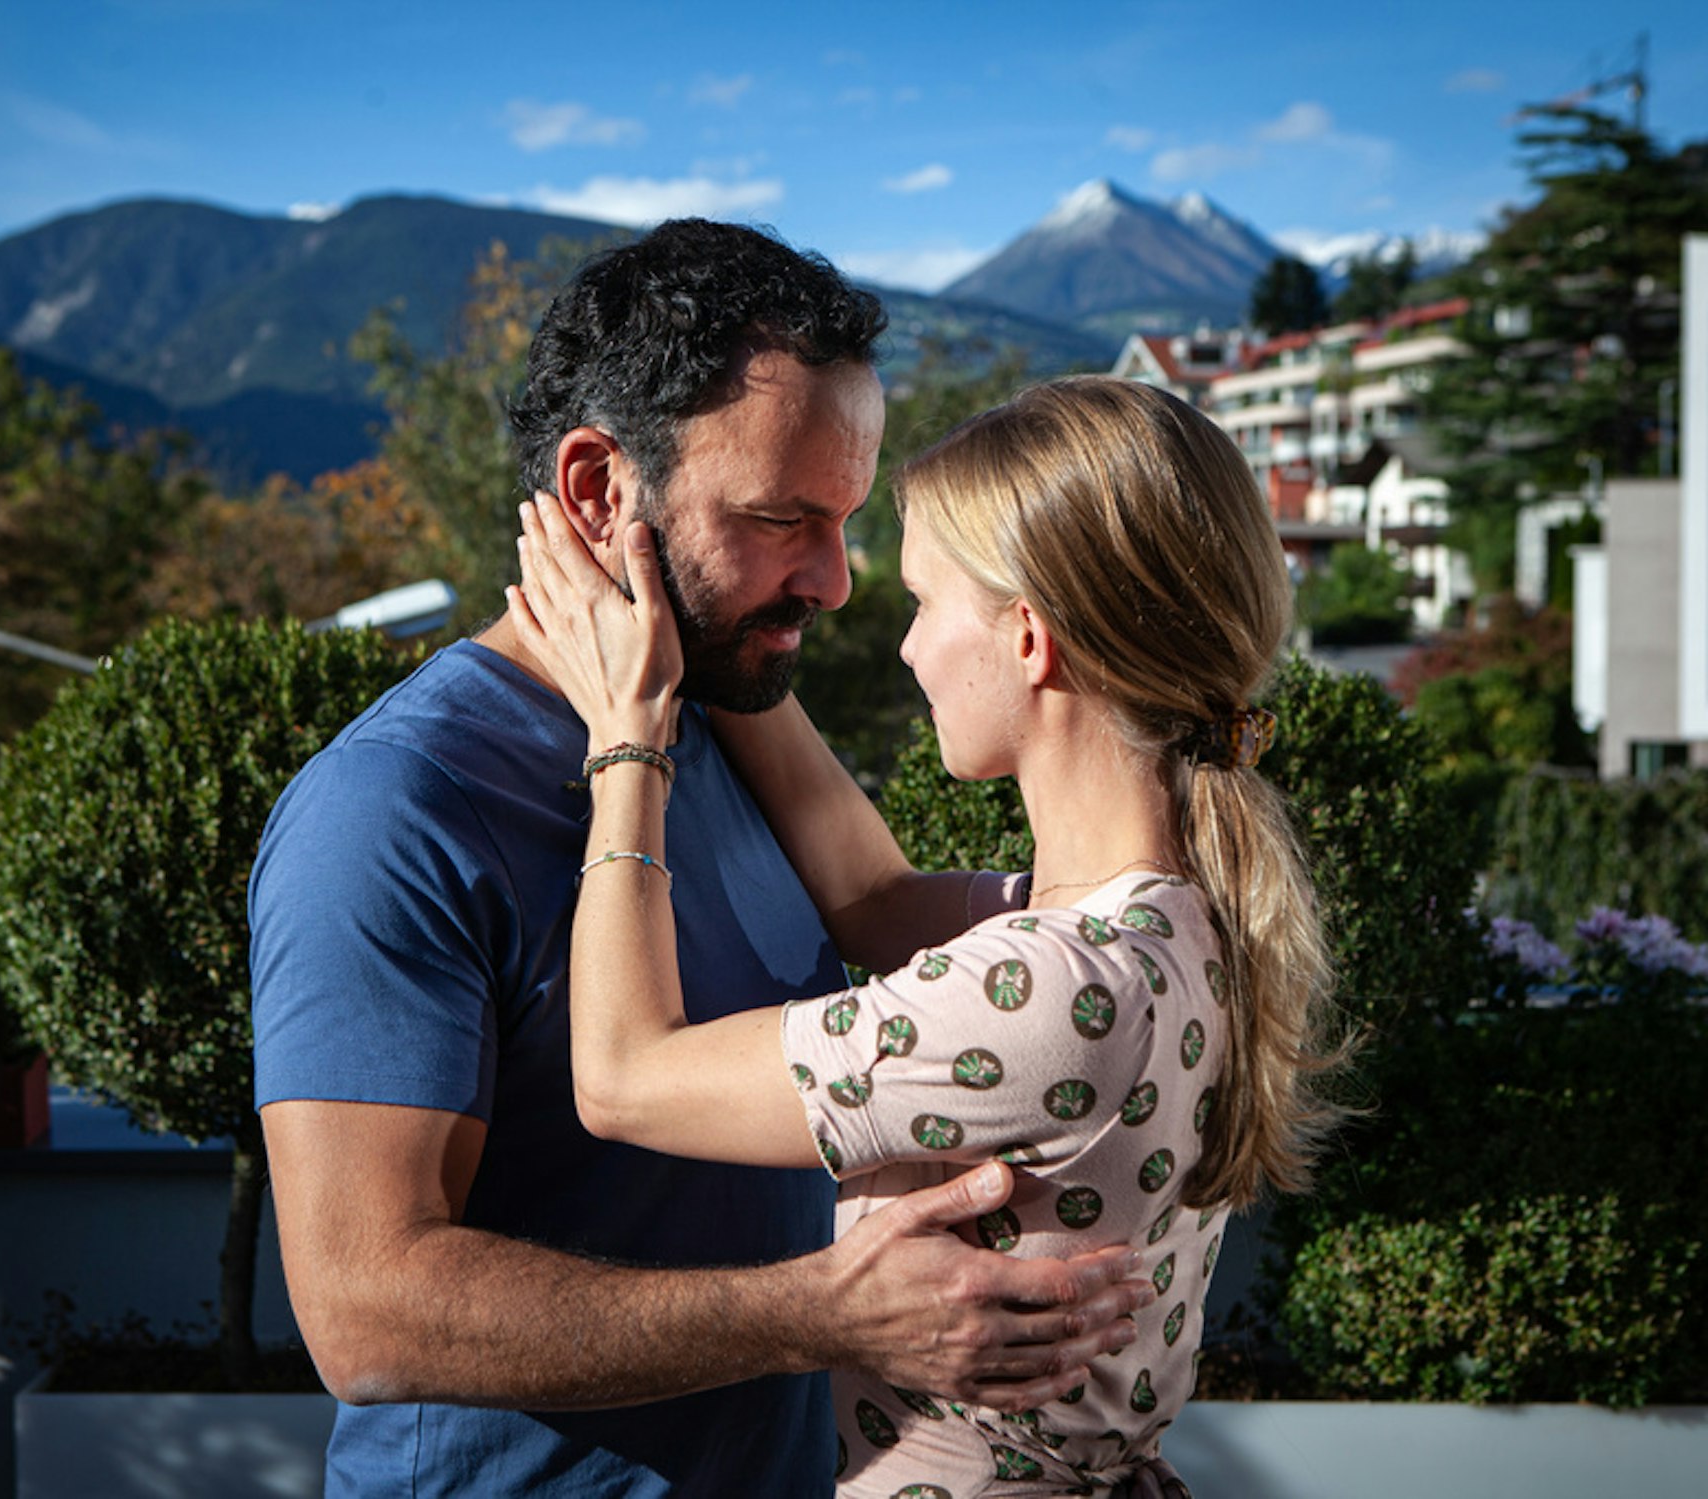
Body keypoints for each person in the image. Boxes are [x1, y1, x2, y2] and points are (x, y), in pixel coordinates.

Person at [250, 222, 1152, 1498]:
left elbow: (887, 908)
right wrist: (820, 1310)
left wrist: (1160, 916)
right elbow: (363, 1310)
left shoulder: (714, 702)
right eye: (782, 518)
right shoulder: (392, 809)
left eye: (842, 520)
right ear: (595, 491)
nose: (835, 582)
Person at [507, 374, 1346, 1497]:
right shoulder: (1169, 923)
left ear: (1029, 637)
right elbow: (871, 895)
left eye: (922, 602)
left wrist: (629, 735)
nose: (902, 648)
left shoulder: (1040, 990)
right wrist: (725, 637)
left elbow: (622, 1075)